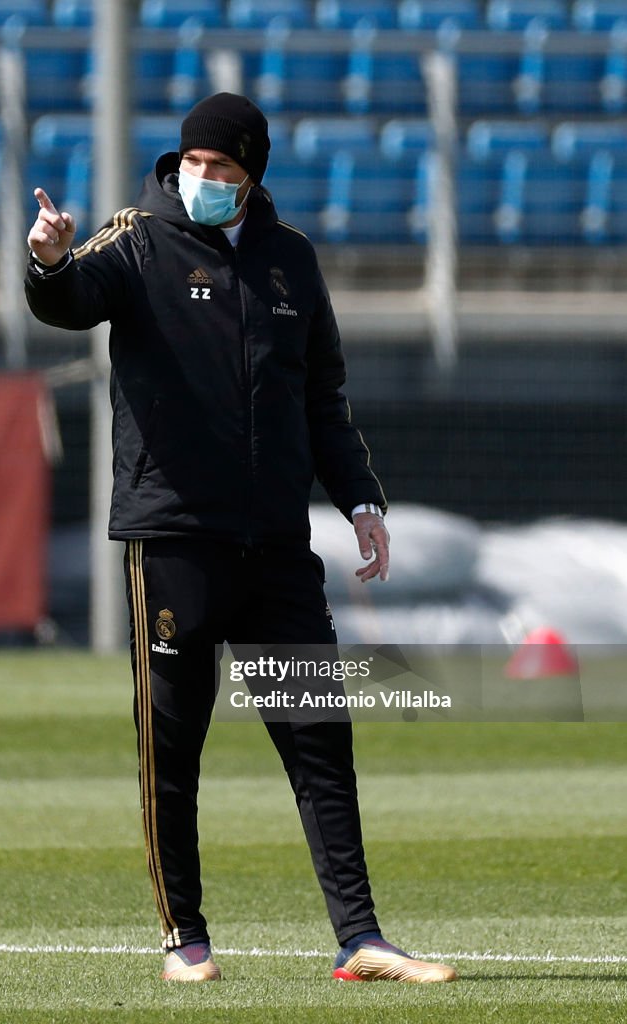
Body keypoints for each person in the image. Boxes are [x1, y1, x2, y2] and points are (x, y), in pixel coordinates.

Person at [25, 93, 456, 985]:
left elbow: (322, 397)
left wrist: (361, 500)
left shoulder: (291, 259)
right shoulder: (135, 240)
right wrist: (49, 262)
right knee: (173, 744)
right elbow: (71, 300)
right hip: (176, 537)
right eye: (193, 164)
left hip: (275, 546)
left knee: (319, 739)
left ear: (252, 175)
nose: (203, 180)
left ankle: (361, 937)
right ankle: (185, 937)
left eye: (222, 169)